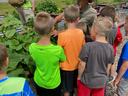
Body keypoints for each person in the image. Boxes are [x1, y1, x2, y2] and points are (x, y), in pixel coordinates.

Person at [29, 12, 66, 96]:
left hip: (39, 81)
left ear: (36, 30)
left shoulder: (32, 47)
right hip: (54, 84)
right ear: (52, 30)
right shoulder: (57, 50)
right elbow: (63, 60)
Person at [78, 16, 114, 96]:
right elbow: (108, 68)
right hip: (101, 82)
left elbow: (81, 65)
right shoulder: (110, 48)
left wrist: (79, 77)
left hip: (87, 81)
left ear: (95, 30)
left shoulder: (88, 46)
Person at [58, 5, 85, 96]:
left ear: (64, 19)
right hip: (78, 65)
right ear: (78, 19)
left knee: (66, 89)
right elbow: (83, 48)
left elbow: (59, 52)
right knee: (76, 86)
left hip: (66, 67)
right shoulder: (81, 33)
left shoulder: (62, 35)